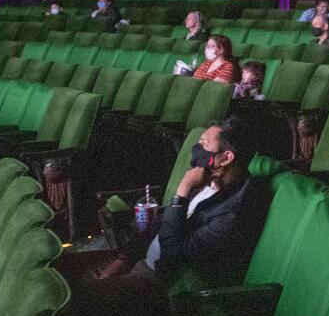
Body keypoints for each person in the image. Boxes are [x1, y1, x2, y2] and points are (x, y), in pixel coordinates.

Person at [99, 117, 272, 285]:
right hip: (140, 263)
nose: (197, 150)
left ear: (226, 158)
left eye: (204, 144)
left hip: (163, 281)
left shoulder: (235, 211)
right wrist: (125, 259)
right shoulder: (210, 181)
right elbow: (163, 221)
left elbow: (173, 252)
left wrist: (184, 187)